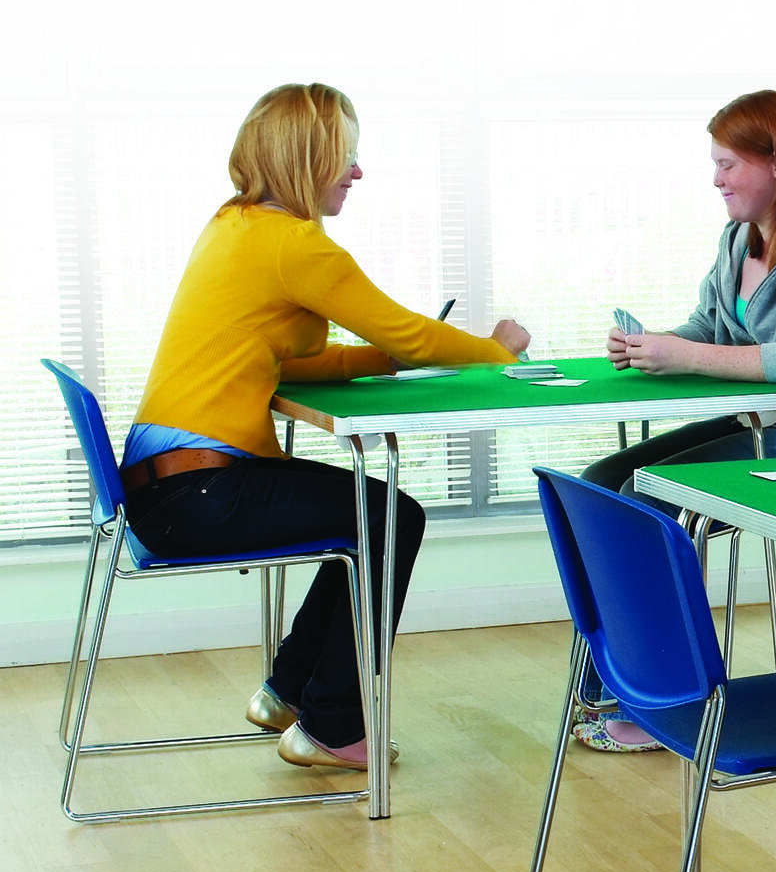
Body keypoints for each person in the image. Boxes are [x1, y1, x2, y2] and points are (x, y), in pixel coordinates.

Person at [122, 83, 530, 770]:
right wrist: (497, 351)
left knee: (371, 514)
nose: (358, 171)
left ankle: (287, 691)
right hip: (197, 498)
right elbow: (416, 335)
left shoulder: (235, 225)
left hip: (166, 489)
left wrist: (383, 360)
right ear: (309, 158)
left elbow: (293, 359)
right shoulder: (297, 246)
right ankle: (332, 726)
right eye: (347, 155)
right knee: (388, 517)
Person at [575, 88, 776, 751]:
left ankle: (665, 702)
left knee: (648, 503)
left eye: (730, 164)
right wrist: (657, 346)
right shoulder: (741, 238)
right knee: (602, 481)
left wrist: (686, 352)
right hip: (770, 425)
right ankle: (619, 685)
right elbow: (712, 327)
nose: (717, 178)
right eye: (715, 163)